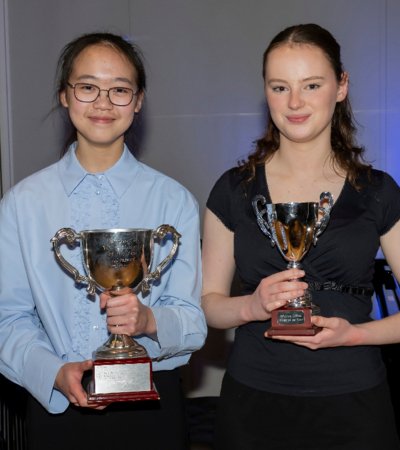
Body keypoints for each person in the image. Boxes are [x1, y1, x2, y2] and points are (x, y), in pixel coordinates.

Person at [0, 32, 207, 450]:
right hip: (58, 405)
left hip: (152, 408)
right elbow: (8, 318)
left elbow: (192, 321)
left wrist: (149, 321)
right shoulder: (23, 203)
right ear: (64, 95)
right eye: (88, 87)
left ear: (139, 101)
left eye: (119, 90)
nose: (103, 103)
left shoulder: (173, 200)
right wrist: (54, 371)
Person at [202, 23, 400, 450]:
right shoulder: (234, 190)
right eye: (279, 87)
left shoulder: (379, 192)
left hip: (353, 404)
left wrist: (354, 334)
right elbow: (210, 307)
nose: (294, 102)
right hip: (254, 403)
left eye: (312, 85)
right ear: (265, 92)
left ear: (341, 86)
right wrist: (251, 306)